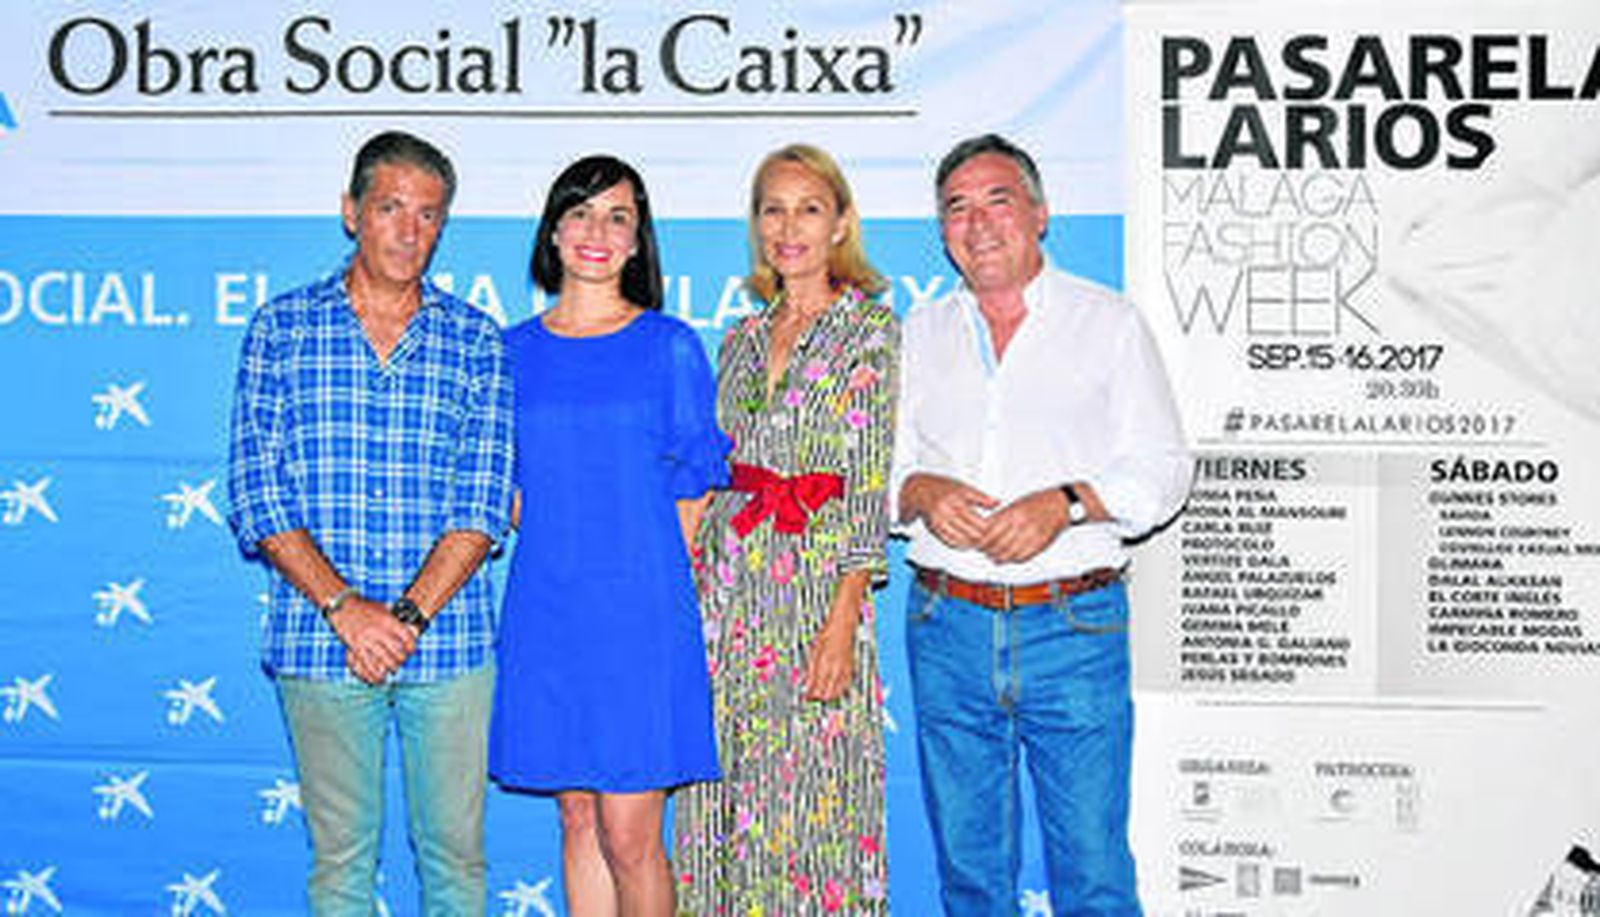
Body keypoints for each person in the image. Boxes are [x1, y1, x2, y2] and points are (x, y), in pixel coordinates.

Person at [889, 134, 1191, 915]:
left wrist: (1067, 501)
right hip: (945, 621)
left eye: (997, 199)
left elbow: (1164, 469)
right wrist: (920, 489)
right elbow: (878, 476)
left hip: (1073, 624)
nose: (977, 221)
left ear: (1040, 213)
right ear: (942, 229)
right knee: (969, 872)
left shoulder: (1109, 323)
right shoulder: (915, 336)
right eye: (956, 206)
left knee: (1092, 873)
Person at [227, 130, 514, 916]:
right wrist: (345, 608)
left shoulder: (476, 340)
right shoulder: (281, 330)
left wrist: (406, 616)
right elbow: (258, 493)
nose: (409, 230)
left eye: (429, 215)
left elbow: (483, 503)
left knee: (456, 862)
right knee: (342, 864)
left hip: (449, 644)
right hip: (318, 639)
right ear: (352, 212)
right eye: (391, 208)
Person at [489, 155, 729, 916]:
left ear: (637, 241)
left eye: (617, 217)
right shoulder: (510, 351)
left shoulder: (668, 344)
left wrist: (640, 575)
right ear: (554, 230)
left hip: (640, 615)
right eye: (582, 212)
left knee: (631, 831)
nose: (598, 231)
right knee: (578, 814)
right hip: (548, 610)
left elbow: (696, 482)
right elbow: (506, 485)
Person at [673, 143, 899, 914]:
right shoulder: (738, 338)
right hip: (727, 596)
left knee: (814, 800)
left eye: (808, 207)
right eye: (773, 208)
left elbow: (868, 483)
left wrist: (842, 618)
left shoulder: (869, 329)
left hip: (813, 592)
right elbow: (709, 474)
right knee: (721, 794)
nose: (788, 225)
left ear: (840, 223)